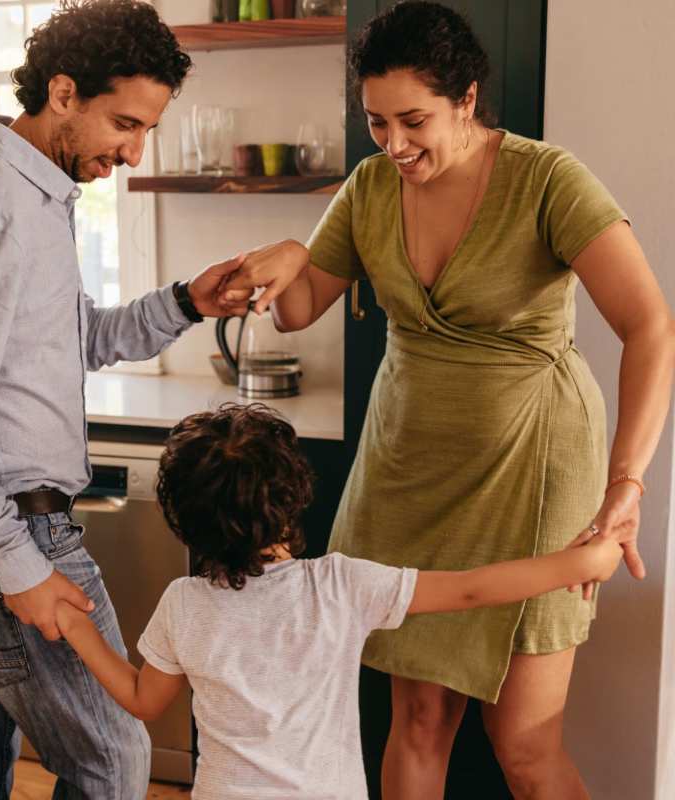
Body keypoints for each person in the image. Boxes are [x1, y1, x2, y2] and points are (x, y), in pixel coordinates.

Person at [220, 2, 675, 798]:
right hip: (408, 465)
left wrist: (627, 483)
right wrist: (289, 254)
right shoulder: (369, 186)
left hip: (529, 466)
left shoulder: (546, 178)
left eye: (413, 120)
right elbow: (300, 308)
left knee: (524, 742)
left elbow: (651, 325)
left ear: (466, 99)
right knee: (419, 718)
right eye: (375, 122)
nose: (394, 144)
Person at [0, 1, 252, 796]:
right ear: (61, 93)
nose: (134, 149)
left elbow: (72, 339)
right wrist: (17, 564)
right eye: (124, 123)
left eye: (147, 129)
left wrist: (189, 301)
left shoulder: (32, 195)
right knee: (114, 756)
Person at [54, 403, 623, 800]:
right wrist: (580, 564)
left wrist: (77, 627)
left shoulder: (184, 604)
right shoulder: (340, 587)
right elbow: (473, 587)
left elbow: (142, 700)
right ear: (294, 496)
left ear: (185, 521)